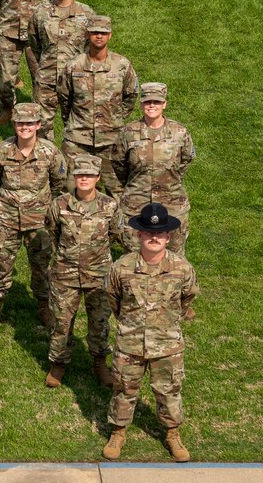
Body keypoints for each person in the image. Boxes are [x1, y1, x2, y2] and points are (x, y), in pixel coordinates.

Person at [102, 203, 199, 463]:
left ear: (168, 236)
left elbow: (187, 299)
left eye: (160, 233)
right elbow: (114, 300)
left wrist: (167, 324)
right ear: (139, 235)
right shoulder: (121, 268)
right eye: (149, 233)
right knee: (123, 389)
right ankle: (118, 432)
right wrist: (130, 324)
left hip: (167, 345)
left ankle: (172, 433)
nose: (154, 237)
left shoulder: (182, 269)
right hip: (130, 343)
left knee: (169, 391)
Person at [0, 103, 66, 330]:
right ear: (14, 124)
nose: (24, 127)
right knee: (1, 263)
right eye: (20, 123)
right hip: (6, 218)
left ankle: (43, 306)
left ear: (38, 125)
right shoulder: (1, 151)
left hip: (39, 220)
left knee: (41, 266)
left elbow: (58, 184)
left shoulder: (50, 153)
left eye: (29, 123)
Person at [43, 155, 121, 389]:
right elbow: (53, 232)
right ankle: (59, 363)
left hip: (98, 275)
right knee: (62, 321)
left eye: (89, 174)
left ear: (98, 177)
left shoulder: (109, 206)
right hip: (65, 274)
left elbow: (114, 234)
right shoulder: (60, 204)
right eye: (79, 174)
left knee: (99, 321)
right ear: (74, 177)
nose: (84, 178)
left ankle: (99, 362)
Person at [58, 15, 139, 196]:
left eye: (103, 33)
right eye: (95, 32)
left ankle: (116, 225)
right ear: (87, 34)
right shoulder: (74, 66)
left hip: (111, 139)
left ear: (110, 35)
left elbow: (131, 94)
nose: (99, 36)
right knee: (70, 188)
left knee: (116, 190)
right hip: (78, 139)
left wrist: (116, 117)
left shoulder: (122, 65)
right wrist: (74, 121)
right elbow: (64, 97)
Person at [113, 83, 195, 256]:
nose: (152, 105)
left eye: (156, 102)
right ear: (141, 104)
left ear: (164, 104)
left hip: (172, 202)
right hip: (136, 202)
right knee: (134, 253)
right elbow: (118, 164)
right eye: (147, 101)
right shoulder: (128, 133)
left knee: (174, 255)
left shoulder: (179, 132)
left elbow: (185, 160)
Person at [28, 0, 95, 141]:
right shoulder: (40, 13)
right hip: (46, 79)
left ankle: (76, 164)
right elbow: (33, 45)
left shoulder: (87, 14)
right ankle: (46, 163)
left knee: (78, 126)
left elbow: (92, 48)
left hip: (76, 79)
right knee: (41, 126)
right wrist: (39, 71)